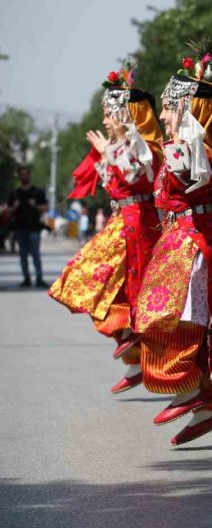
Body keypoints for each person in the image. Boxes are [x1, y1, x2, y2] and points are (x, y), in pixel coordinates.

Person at [133, 43, 212, 446]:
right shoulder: (184, 146)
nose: (163, 116)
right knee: (175, 315)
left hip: (197, 240)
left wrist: (185, 132)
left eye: (169, 108)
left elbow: (192, 172)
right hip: (181, 238)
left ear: (187, 110)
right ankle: (204, 404)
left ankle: (192, 389)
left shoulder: (195, 149)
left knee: (178, 315)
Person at [48, 63, 164, 393]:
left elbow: (136, 177)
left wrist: (108, 152)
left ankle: (137, 348)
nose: (104, 122)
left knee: (107, 282)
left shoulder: (144, 147)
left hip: (137, 222)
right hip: (121, 221)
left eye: (108, 115)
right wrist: (107, 152)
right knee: (93, 280)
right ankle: (132, 351)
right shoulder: (120, 147)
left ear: (124, 115)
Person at [8, 166, 48, 287]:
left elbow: (45, 207)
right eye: (22, 174)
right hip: (20, 228)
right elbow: (8, 210)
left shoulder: (37, 192)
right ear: (19, 177)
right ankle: (26, 278)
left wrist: (35, 206)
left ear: (29, 176)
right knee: (23, 255)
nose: (24, 176)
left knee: (35, 253)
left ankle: (39, 278)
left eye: (26, 174)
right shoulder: (15, 193)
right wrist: (14, 207)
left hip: (34, 228)